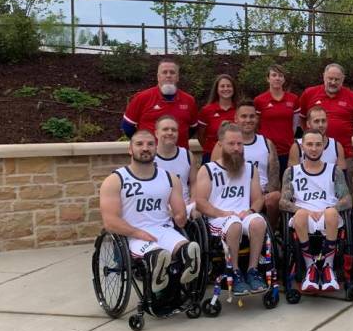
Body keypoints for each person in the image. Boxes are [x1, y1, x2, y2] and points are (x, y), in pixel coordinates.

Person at [99, 129, 200, 295]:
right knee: (158, 254)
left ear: (156, 148)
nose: (145, 148)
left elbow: (180, 216)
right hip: (132, 235)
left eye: (150, 144)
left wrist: (181, 215)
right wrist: (137, 232)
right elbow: (110, 221)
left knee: (188, 248)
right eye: (139, 144)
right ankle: (158, 281)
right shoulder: (115, 180)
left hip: (163, 229)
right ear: (130, 149)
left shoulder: (169, 178)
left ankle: (184, 271)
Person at [194, 122, 268, 295]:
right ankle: (234, 272)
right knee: (234, 223)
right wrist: (223, 213)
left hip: (243, 215)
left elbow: (258, 199)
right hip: (217, 218)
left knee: (258, 221)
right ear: (220, 145)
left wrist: (250, 211)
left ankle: (252, 270)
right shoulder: (208, 170)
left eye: (240, 144)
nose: (236, 148)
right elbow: (201, 202)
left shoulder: (250, 169)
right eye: (231, 144)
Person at [279, 129, 353, 292]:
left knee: (331, 213)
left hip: (329, 217)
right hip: (303, 218)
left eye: (318, 144)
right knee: (300, 214)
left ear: (323, 147)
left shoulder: (334, 170)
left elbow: (347, 200)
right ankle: (309, 266)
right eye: (310, 144)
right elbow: (283, 202)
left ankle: (328, 266)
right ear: (302, 147)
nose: (314, 148)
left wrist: (331, 208)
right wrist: (302, 209)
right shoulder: (291, 172)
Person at [210, 100, 281, 229]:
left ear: (257, 118)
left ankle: (270, 233)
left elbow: (274, 176)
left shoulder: (266, 143)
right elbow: (215, 175)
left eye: (252, 116)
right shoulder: (223, 145)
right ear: (236, 118)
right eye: (244, 116)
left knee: (275, 197)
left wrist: (265, 193)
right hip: (234, 194)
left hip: (260, 194)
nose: (248, 120)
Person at [298, 63, 353, 168]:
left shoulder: (352, 96)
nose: (333, 82)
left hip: (344, 154)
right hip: (313, 152)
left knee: (343, 183)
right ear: (323, 76)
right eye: (330, 78)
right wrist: (306, 139)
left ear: (343, 79)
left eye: (337, 79)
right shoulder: (309, 94)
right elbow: (301, 119)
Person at [122, 59, 198, 150]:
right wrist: (143, 143)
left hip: (180, 156)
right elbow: (127, 127)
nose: (168, 75)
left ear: (177, 77)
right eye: (164, 72)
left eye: (172, 72)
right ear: (158, 77)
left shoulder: (189, 100)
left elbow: (193, 128)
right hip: (150, 156)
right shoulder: (142, 98)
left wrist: (175, 140)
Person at [254, 64, 300, 179]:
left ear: (284, 79)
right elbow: (256, 126)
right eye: (274, 75)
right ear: (268, 78)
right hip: (266, 151)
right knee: (268, 186)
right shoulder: (259, 100)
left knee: (287, 185)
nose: (277, 78)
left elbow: (295, 126)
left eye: (280, 75)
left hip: (287, 151)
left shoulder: (293, 99)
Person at [154, 115, 199, 218]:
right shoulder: (149, 158)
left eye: (174, 130)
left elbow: (194, 182)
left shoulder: (187, 155)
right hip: (159, 209)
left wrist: (193, 203)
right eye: (165, 129)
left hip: (185, 207)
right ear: (156, 133)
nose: (170, 133)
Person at [288, 106, 346, 170]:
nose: (321, 125)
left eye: (323, 121)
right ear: (308, 124)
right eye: (316, 121)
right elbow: (292, 175)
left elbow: (342, 176)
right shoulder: (297, 147)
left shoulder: (337, 147)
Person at [197, 74, 239, 163]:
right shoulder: (206, 110)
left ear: (234, 89)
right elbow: (201, 135)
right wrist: (210, 148)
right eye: (222, 86)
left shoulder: (239, 109)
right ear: (217, 89)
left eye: (229, 86)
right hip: (211, 154)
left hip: (235, 154)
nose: (226, 89)